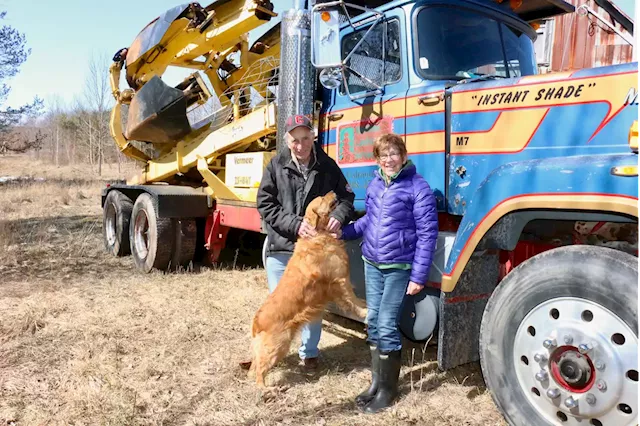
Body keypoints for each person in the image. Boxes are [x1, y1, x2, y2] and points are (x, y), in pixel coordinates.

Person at [336, 133, 438, 413]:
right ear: (377, 160)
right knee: (374, 322)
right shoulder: (375, 184)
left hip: (398, 266)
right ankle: (376, 383)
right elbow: (369, 219)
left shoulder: (418, 187)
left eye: (394, 154)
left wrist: (418, 276)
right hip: (372, 262)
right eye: (383, 155)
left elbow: (428, 234)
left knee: (386, 323)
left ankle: (388, 391)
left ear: (403, 156)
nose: (389, 160)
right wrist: (343, 233)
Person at [255, 114, 355, 369]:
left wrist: (339, 218)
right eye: (295, 140)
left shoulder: (328, 166)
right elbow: (265, 204)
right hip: (283, 247)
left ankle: (309, 354)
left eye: (305, 138)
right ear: (288, 141)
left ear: (313, 136)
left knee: (313, 304)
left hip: (315, 254)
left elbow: (346, 198)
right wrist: (296, 224)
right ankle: (269, 352)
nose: (301, 145)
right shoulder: (275, 166)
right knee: (284, 306)